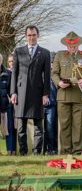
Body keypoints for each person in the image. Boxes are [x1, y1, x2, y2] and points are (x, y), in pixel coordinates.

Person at [51, 31, 82, 155]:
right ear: (66, 45)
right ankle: (65, 153)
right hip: (63, 95)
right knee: (64, 125)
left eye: (74, 45)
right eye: (70, 46)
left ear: (78, 44)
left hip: (79, 96)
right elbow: (54, 73)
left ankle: (76, 153)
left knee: (78, 126)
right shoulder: (59, 55)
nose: (72, 48)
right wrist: (59, 83)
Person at [11, 25, 51, 155]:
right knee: (21, 127)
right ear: (25, 36)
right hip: (21, 93)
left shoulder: (45, 53)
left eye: (33, 35)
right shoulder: (18, 51)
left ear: (37, 35)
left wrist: (46, 94)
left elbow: (47, 75)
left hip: (37, 93)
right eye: (29, 35)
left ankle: (37, 153)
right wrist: (13, 92)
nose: (31, 38)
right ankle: (23, 152)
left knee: (38, 127)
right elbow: (14, 73)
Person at [43, 52, 58, 155]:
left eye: (53, 62)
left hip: (52, 105)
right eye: (50, 62)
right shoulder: (42, 73)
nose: (51, 64)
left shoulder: (57, 75)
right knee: (42, 129)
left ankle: (52, 149)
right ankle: (42, 149)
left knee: (50, 127)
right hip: (41, 105)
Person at [0, 54, 15, 155]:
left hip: (6, 105)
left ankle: (11, 150)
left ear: (1, 60)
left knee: (9, 128)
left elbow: (11, 89)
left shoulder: (8, 73)